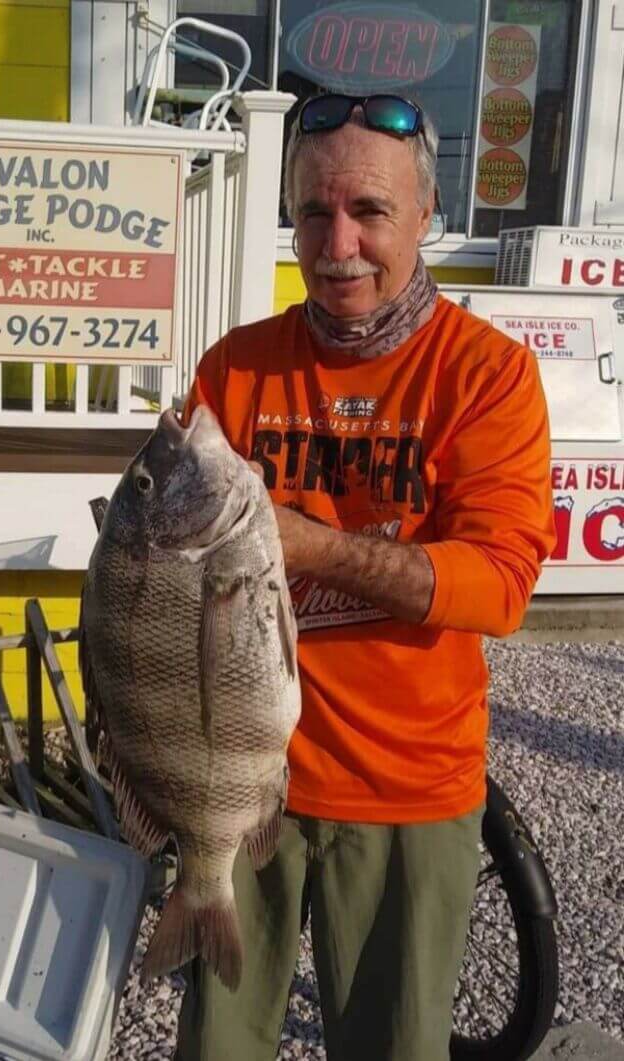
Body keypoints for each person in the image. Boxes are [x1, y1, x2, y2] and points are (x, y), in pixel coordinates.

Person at [174, 94, 556, 1061]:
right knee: (219, 1046)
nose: (338, 243)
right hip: (242, 778)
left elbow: (500, 583)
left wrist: (314, 547)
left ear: (426, 215)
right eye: (313, 212)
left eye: (370, 212)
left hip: (407, 787)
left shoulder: (487, 374)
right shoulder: (235, 369)